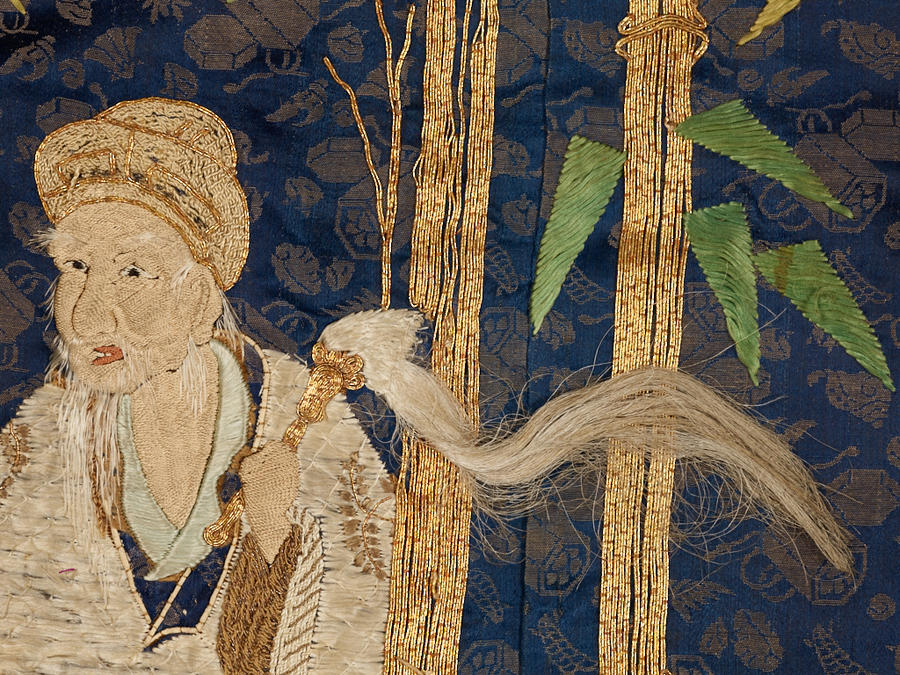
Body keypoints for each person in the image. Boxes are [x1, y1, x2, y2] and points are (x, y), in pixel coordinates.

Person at [0, 97, 395, 673]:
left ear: (201, 299)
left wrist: (272, 538)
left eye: (133, 272)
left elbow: (363, 625)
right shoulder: (39, 438)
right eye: (76, 267)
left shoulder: (307, 418)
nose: (87, 317)